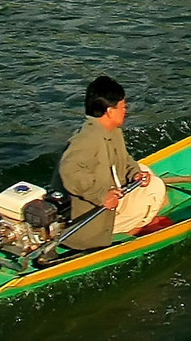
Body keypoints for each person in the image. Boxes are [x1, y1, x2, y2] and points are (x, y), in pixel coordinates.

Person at [56, 75, 169, 250]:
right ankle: (134, 228)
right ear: (110, 111)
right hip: (90, 217)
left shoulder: (111, 131)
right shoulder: (88, 139)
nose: (126, 111)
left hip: (108, 193)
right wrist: (102, 196)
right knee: (156, 188)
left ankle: (132, 218)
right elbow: (69, 171)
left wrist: (135, 174)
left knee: (144, 170)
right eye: (123, 107)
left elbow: (125, 161)